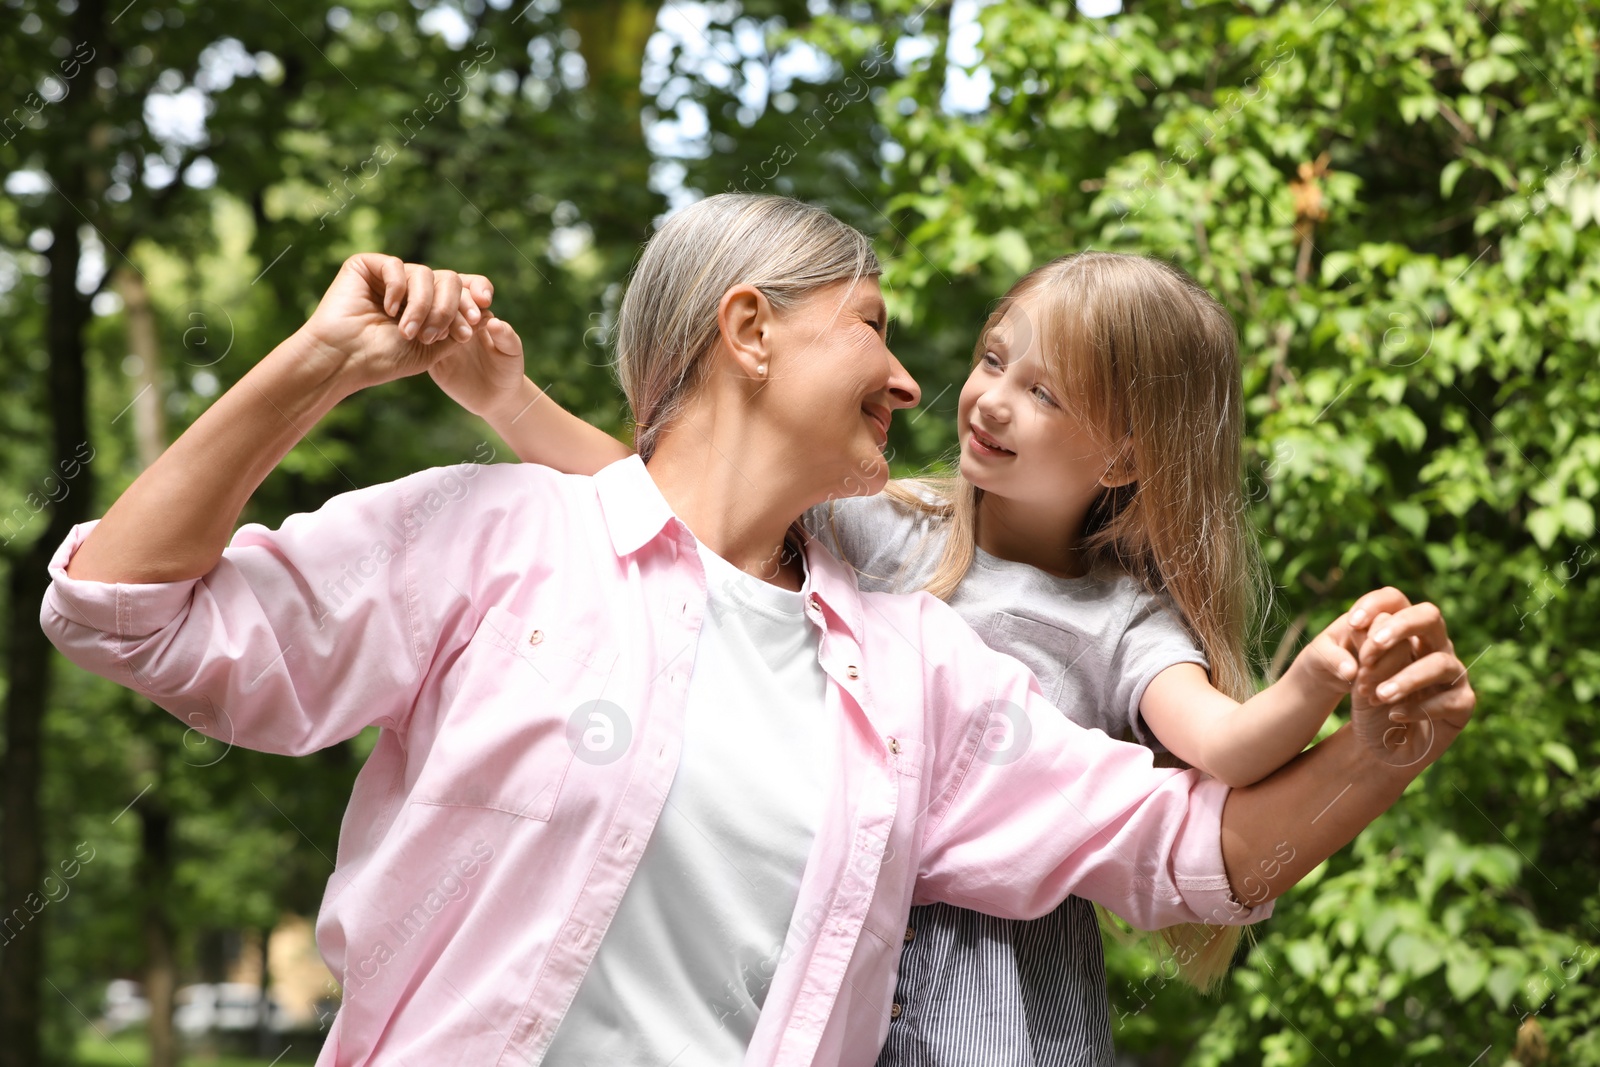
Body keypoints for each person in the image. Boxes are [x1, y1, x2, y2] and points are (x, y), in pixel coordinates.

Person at [40, 194, 1474, 1067]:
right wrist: (315, 366)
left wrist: (1376, 757)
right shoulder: (495, 537)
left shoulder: (919, 671)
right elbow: (124, 609)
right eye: (878, 326)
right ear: (751, 329)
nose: (916, 380)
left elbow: (1188, 852)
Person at [442, 248, 1411, 1065]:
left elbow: (1228, 748)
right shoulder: (879, 520)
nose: (989, 399)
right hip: (818, 943)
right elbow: (658, 501)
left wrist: (1316, 679)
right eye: (993, 359)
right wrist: (508, 399)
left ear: (1120, 457)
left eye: (1043, 393)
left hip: (994, 993)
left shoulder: (1119, 618)